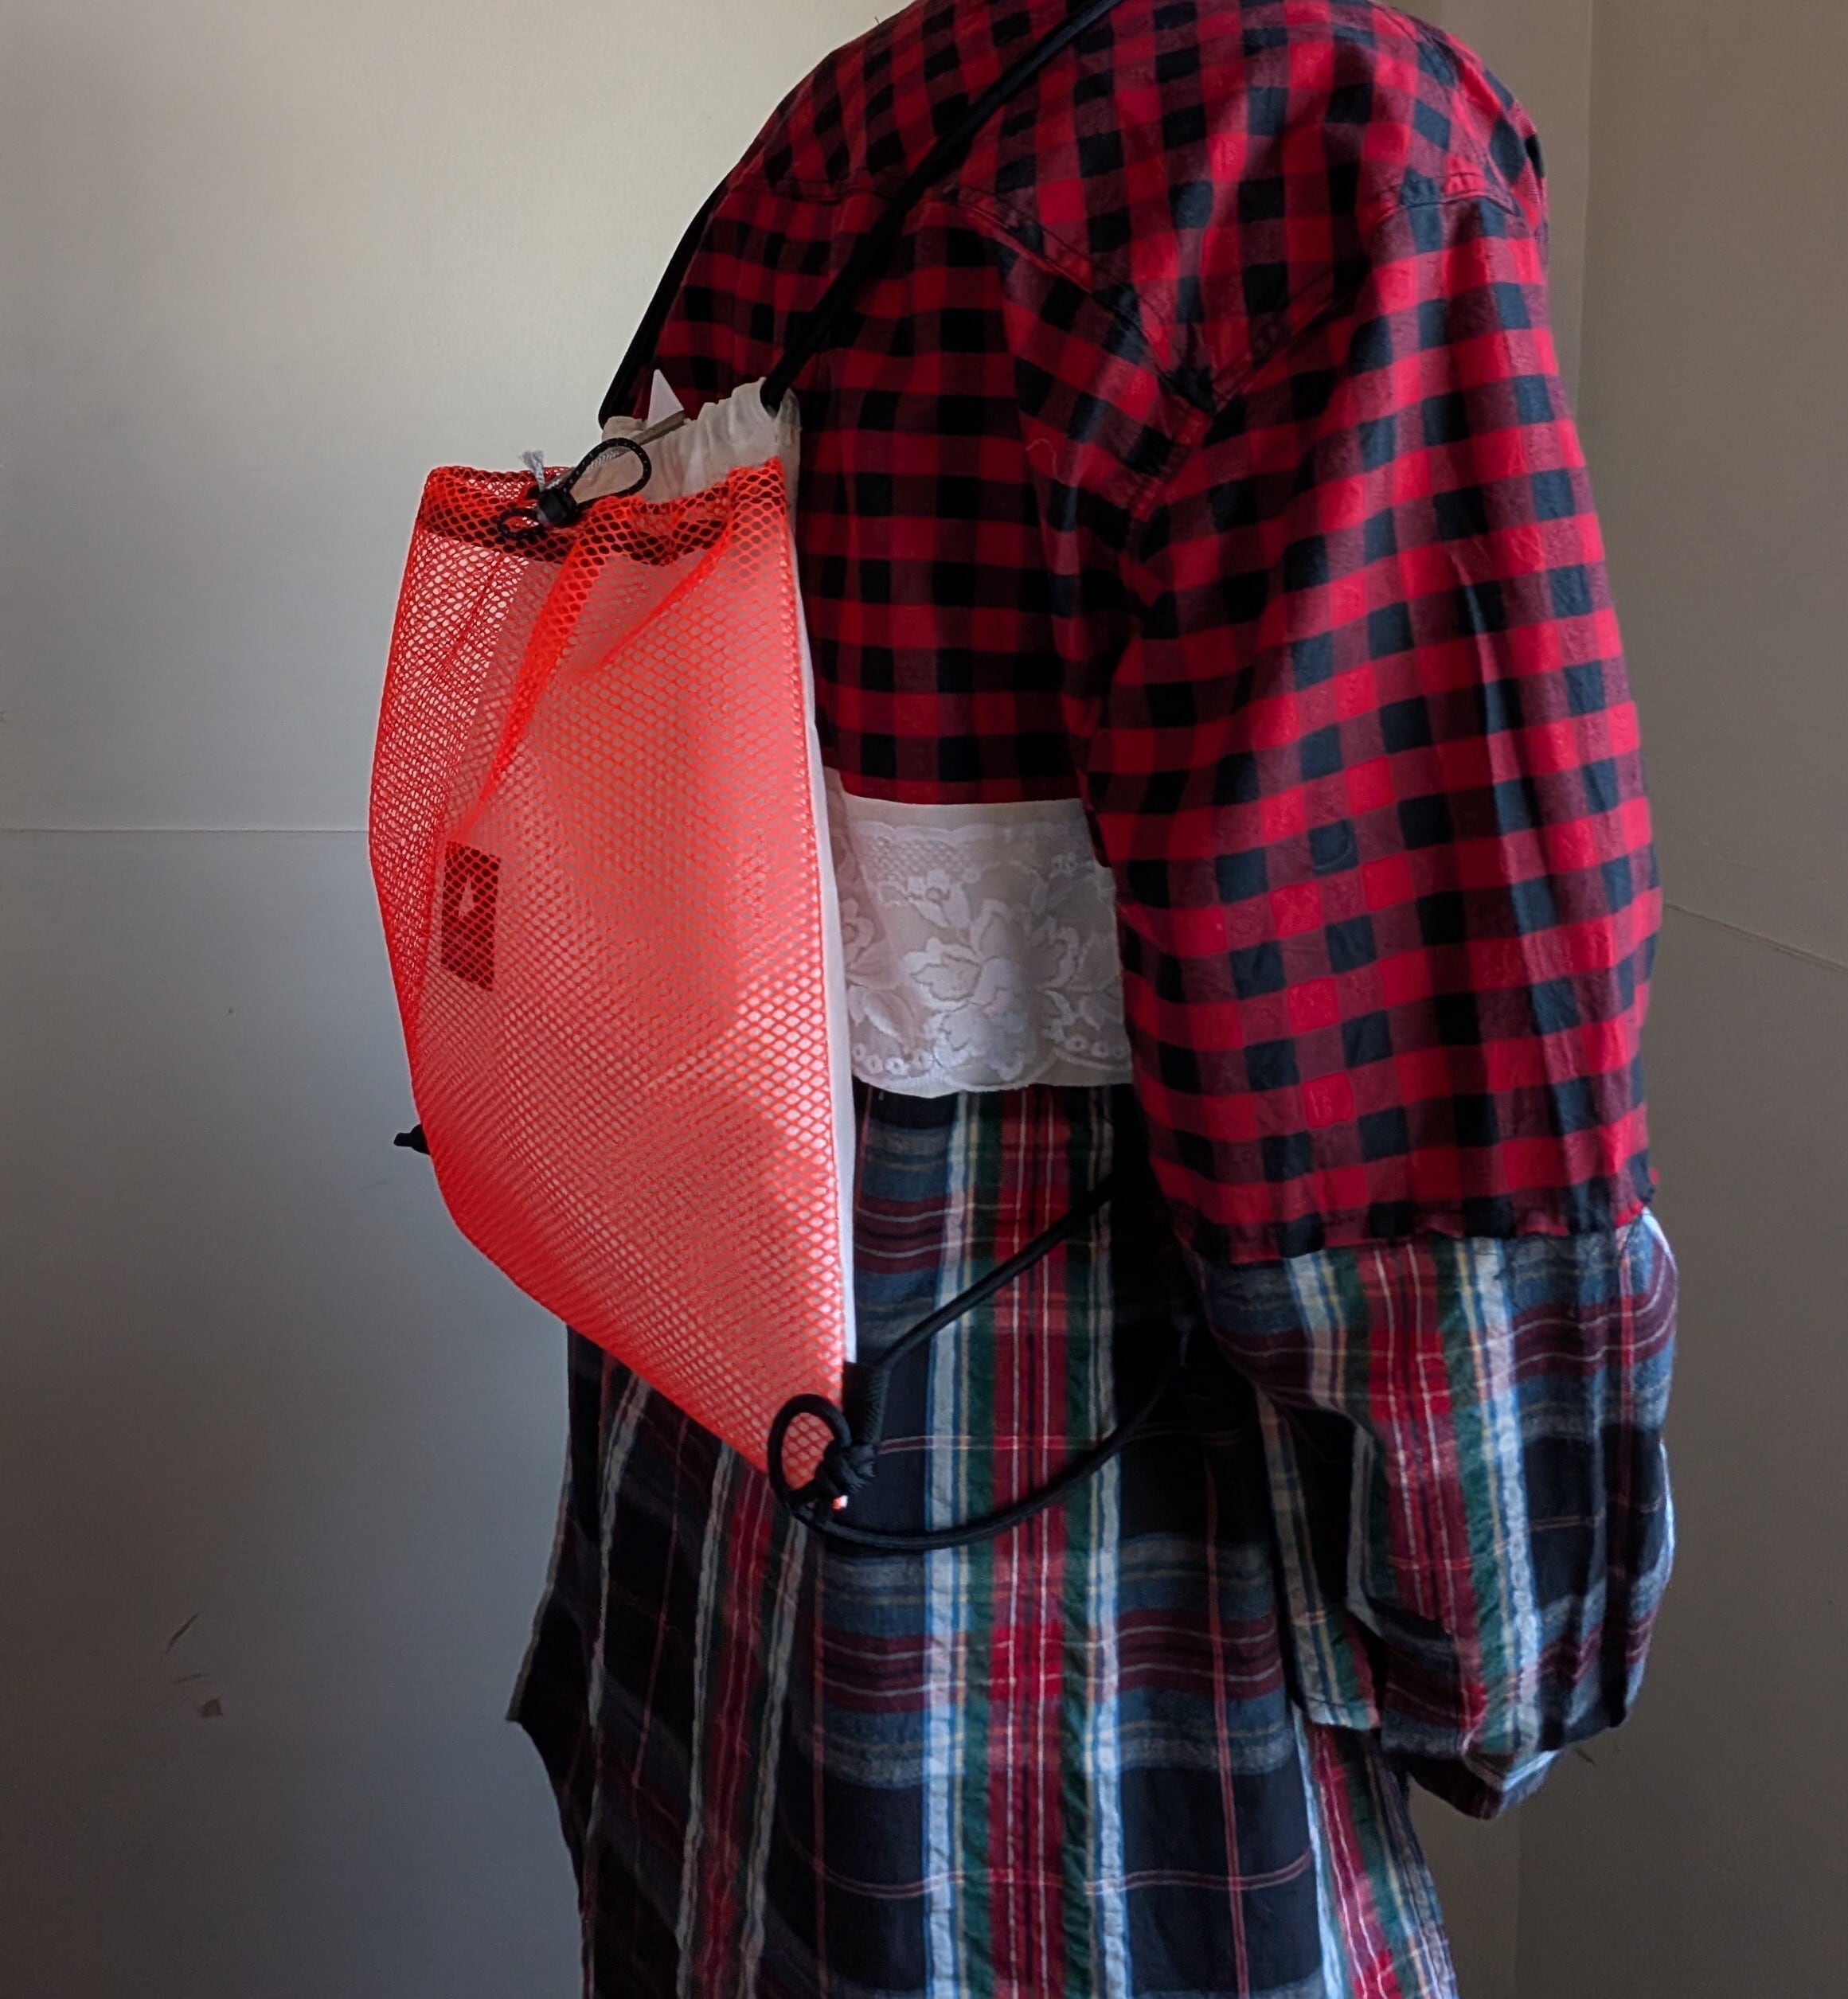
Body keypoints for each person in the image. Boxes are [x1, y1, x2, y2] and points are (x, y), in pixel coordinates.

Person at [514, 3, 1678, 1993]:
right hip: (1070, 1684)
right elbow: (1425, 1019)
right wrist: (1508, 1639)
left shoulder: (855, 115)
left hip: (715, 1568)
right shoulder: (1322, 128)